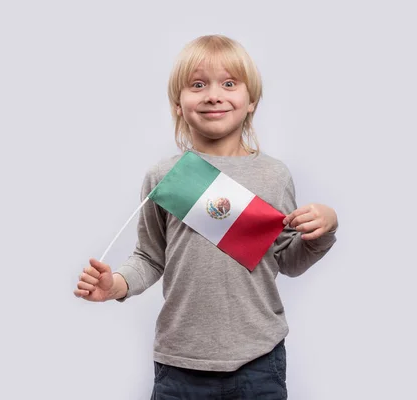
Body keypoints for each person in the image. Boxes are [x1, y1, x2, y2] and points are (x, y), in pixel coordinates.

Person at [73, 34, 338, 400]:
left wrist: (324, 229)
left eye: (229, 83)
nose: (214, 95)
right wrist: (115, 285)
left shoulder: (275, 175)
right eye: (198, 85)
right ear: (178, 105)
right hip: (179, 362)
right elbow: (150, 257)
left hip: (259, 360)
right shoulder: (165, 177)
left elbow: (287, 261)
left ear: (251, 103)